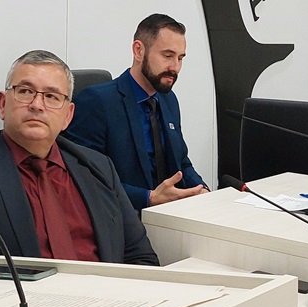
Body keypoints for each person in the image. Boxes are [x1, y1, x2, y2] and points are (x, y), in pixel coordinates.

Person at [0, 50, 159, 268]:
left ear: (68, 116)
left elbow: (141, 258)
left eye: (51, 96)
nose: (37, 105)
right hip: (18, 300)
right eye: (25, 92)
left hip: (105, 297)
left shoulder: (99, 168)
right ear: (3, 104)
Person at [66, 14, 209, 210]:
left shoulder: (168, 99)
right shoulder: (97, 102)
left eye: (180, 58)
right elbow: (85, 177)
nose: (175, 67)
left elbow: (181, 161)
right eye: (167, 56)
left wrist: (202, 191)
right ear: (138, 51)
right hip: (123, 217)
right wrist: (148, 198)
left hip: (170, 214)